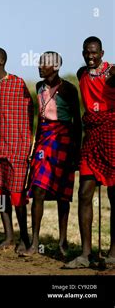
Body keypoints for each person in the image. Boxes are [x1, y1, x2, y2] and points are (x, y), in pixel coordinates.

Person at [24, 52, 81, 257]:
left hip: (64, 141)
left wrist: (76, 153)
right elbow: (41, 120)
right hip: (44, 141)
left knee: (62, 194)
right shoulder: (39, 87)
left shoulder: (69, 89)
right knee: (37, 189)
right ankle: (35, 241)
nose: (39, 67)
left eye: (44, 64)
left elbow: (77, 123)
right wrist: (34, 147)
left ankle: (63, 242)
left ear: (55, 67)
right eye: (39, 63)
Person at [65, 36, 115, 268]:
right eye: (87, 52)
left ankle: (113, 253)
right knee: (85, 193)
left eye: (94, 52)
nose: (90, 56)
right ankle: (85, 254)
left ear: (102, 53)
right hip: (91, 136)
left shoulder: (112, 73)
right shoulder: (81, 73)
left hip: (112, 135)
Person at [0, 47, 33, 253]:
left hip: (16, 150)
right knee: (1, 195)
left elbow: (29, 115)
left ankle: (25, 238)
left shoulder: (18, 84)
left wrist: (25, 146)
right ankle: (9, 236)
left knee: (18, 196)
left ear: (1, 61)